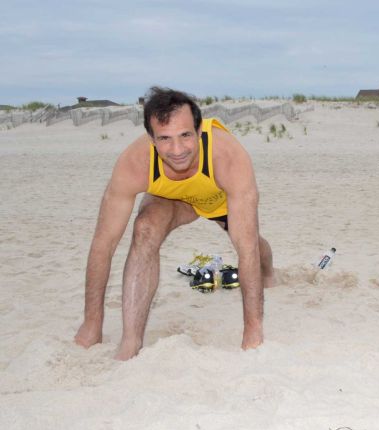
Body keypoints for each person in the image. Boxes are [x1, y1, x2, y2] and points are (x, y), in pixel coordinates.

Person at [74, 87, 274, 360]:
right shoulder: (135, 162)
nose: (177, 150)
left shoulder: (227, 156)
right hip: (173, 200)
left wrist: (253, 330)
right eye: (165, 139)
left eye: (185, 136)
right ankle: (131, 342)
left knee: (254, 246)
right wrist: (91, 324)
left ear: (199, 130)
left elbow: (246, 246)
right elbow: (103, 244)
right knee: (144, 229)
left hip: (218, 198)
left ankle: (271, 273)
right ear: (151, 139)